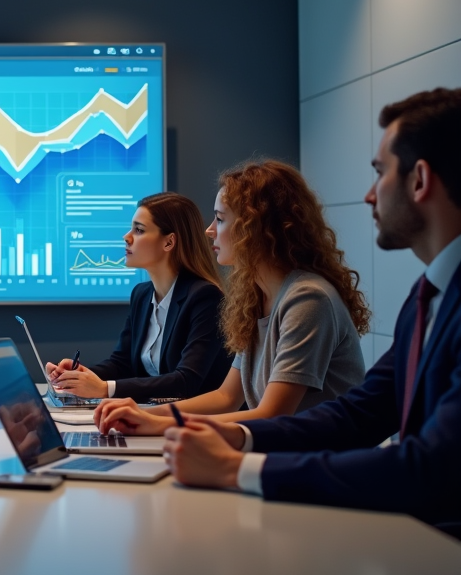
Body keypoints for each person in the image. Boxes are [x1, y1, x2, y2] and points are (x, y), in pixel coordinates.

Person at [160, 89, 461, 531]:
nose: (368, 196)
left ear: (419, 180)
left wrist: (235, 467)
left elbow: (430, 466)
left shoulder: (311, 296)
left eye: (380, 173)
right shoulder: (428, 295)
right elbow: (356, 415)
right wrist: (237, 436)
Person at [96, 160, 369, 436]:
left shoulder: (309, 299)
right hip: (283, 453)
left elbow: (273, 414)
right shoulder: (255, 298)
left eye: (221, 219)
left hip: (320, 464)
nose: (209, 230)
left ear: (256, 227)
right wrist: (140, 413)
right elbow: (226, 398)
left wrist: (159, 423)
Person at [46, 192, 232, 401]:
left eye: (139, 230)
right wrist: (78, 376)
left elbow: (186, 381)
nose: (127, 237)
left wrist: (104, 388)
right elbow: (122, 364)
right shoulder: (141, 295)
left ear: (169, 242)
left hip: (196, 424)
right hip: (154, 417)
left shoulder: (206, 298)